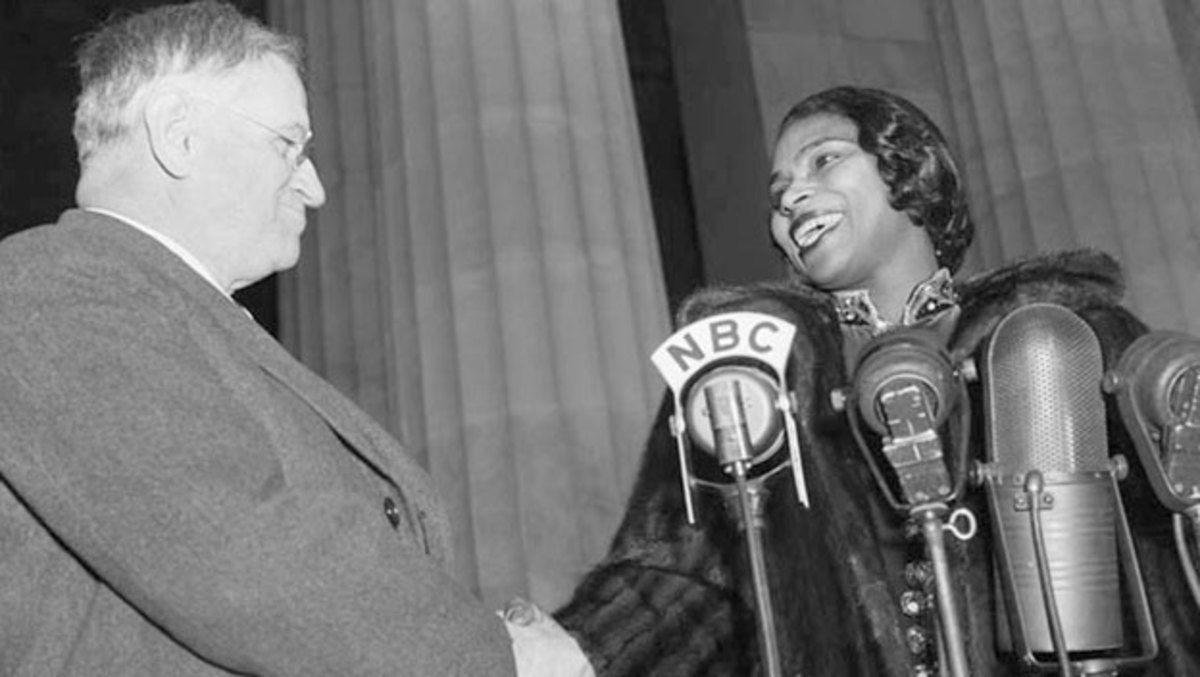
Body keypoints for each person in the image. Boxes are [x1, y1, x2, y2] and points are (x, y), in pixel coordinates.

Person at [0, 2, 591, 675]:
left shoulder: (155, 307)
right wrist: (498, 658)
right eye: (289, 143)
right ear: (177, 134)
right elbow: (240, 547)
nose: (314, 188)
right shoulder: (51, 287)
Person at [555, 86, 1200, 675]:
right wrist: (565, 654)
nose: (790, 197)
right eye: (777, 192)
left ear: (909, 169)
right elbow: (682, 571)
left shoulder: (1069, 330)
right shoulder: (761, 369)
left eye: (823, 161)